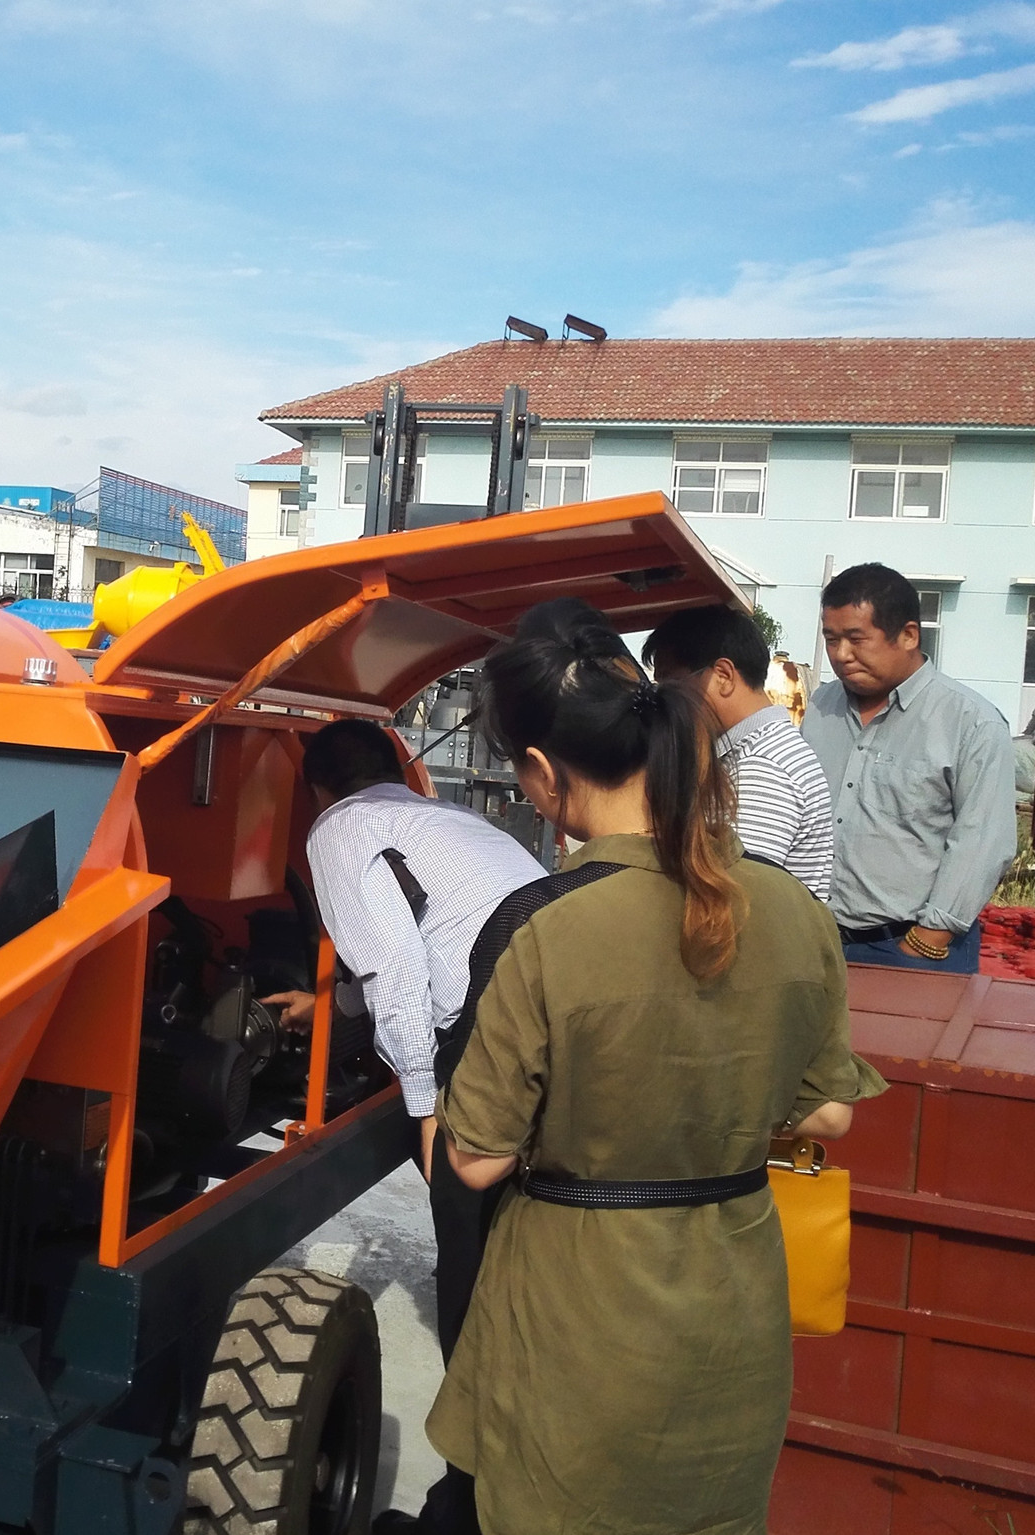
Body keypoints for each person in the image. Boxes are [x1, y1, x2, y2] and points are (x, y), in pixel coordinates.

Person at [423, 598, 884, 1535]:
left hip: (581, 1324)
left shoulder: (544, 925)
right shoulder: (794, 910)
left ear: (544, 775)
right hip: (734, 1316)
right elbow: (831, 1113)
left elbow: (473, 1158)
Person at [261, 717, 543, 1535]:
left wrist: (424, 1106)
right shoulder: (443, 818)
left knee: (469, 1263)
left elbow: (399, 971)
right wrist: (328, 1008)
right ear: (395, 766)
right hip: (545, 1004)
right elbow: (425, 936)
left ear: (316, 788)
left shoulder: (339, 829)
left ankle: (470, 1505)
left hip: (486, 1036)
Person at [803, 563, 1017, 973]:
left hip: (912, 947)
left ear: (908, 635)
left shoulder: (971, 723)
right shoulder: (820, 707)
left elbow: (984, 842)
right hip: (816, 939)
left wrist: (928, 938)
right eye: (831, 640)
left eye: (855, 639)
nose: (841, 655)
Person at [643, 604, 834, 901]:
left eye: (670, 683)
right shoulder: (755, 751)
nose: (664, 699)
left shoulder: (762, 768)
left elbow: (732, 894)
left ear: (723, 675)